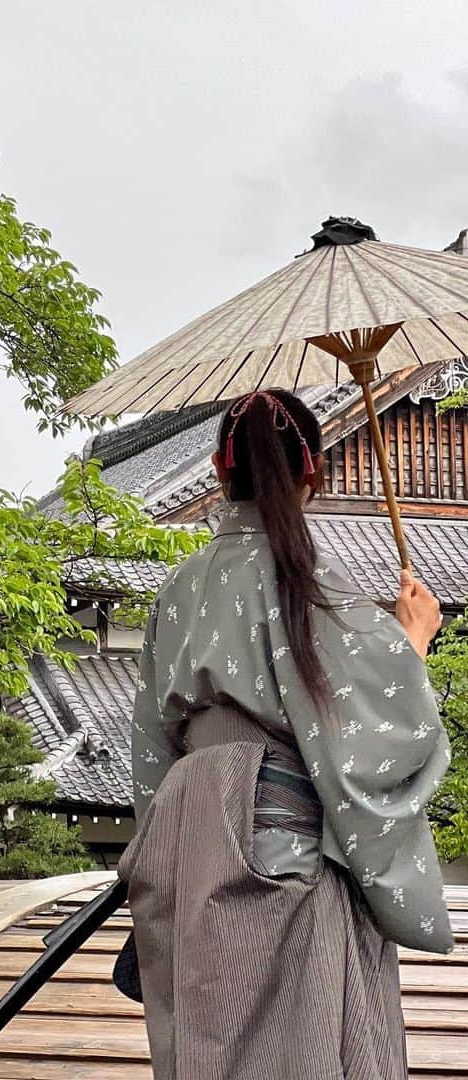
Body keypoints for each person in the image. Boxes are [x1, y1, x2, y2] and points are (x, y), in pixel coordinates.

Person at [122, 388, 453, 1080]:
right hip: (284, 842)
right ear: (315, 474)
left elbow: (152, 744)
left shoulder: (180, 587)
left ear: (218, 469)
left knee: (209, 1048)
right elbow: (372, 734)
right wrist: (412, 643)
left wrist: (159, 858)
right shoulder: (314, 587)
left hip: (188, 846)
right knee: (300, 1051)